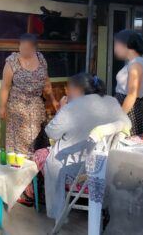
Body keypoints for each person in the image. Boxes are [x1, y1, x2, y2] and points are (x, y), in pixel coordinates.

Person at [43, 73, 130, 220]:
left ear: (78, 90)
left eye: (69, 89)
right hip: (105, 163)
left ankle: (57, 213)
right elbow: (126, 124)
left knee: (49, 160)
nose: (67, 92)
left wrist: (61, 110)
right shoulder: (111, 101)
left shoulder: (72, 107)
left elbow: (51, 133)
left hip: (75, 167)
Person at [0, 33, 59, 154]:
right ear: (19, 46)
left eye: (29, 48)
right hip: (17, 107)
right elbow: (5, 86)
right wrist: (2, 106)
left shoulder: (41, 59)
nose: (25, 51)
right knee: (20, 141)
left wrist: (53, 100)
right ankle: (19, 167)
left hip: (36, 107)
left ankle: (35, 168)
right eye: (23, 47)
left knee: (36, 139)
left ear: (35, 48)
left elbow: (46, 81)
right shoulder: (12, 61)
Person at [113, 29, 143, 135]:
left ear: (125, 45)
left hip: (129, 109)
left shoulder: (136, 64)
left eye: (116, 45)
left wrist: (119, 118)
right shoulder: (134, 63)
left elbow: (131, 95)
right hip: (127, 107)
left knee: (125, 141)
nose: (115, 49)